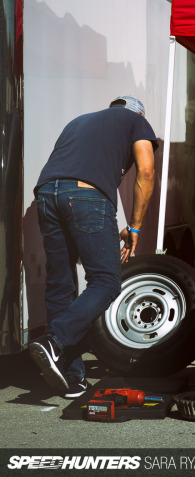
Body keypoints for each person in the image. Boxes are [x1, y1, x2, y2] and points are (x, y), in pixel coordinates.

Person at [29, 96, 158, 398]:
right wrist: (135, 226)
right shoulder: (135, 120)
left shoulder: (78, 122)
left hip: (46, 193)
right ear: (138, 113)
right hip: (85, 196)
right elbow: (146, 171)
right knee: (106, 281)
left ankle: (71, 378)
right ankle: (53, 341)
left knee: (60, 286)